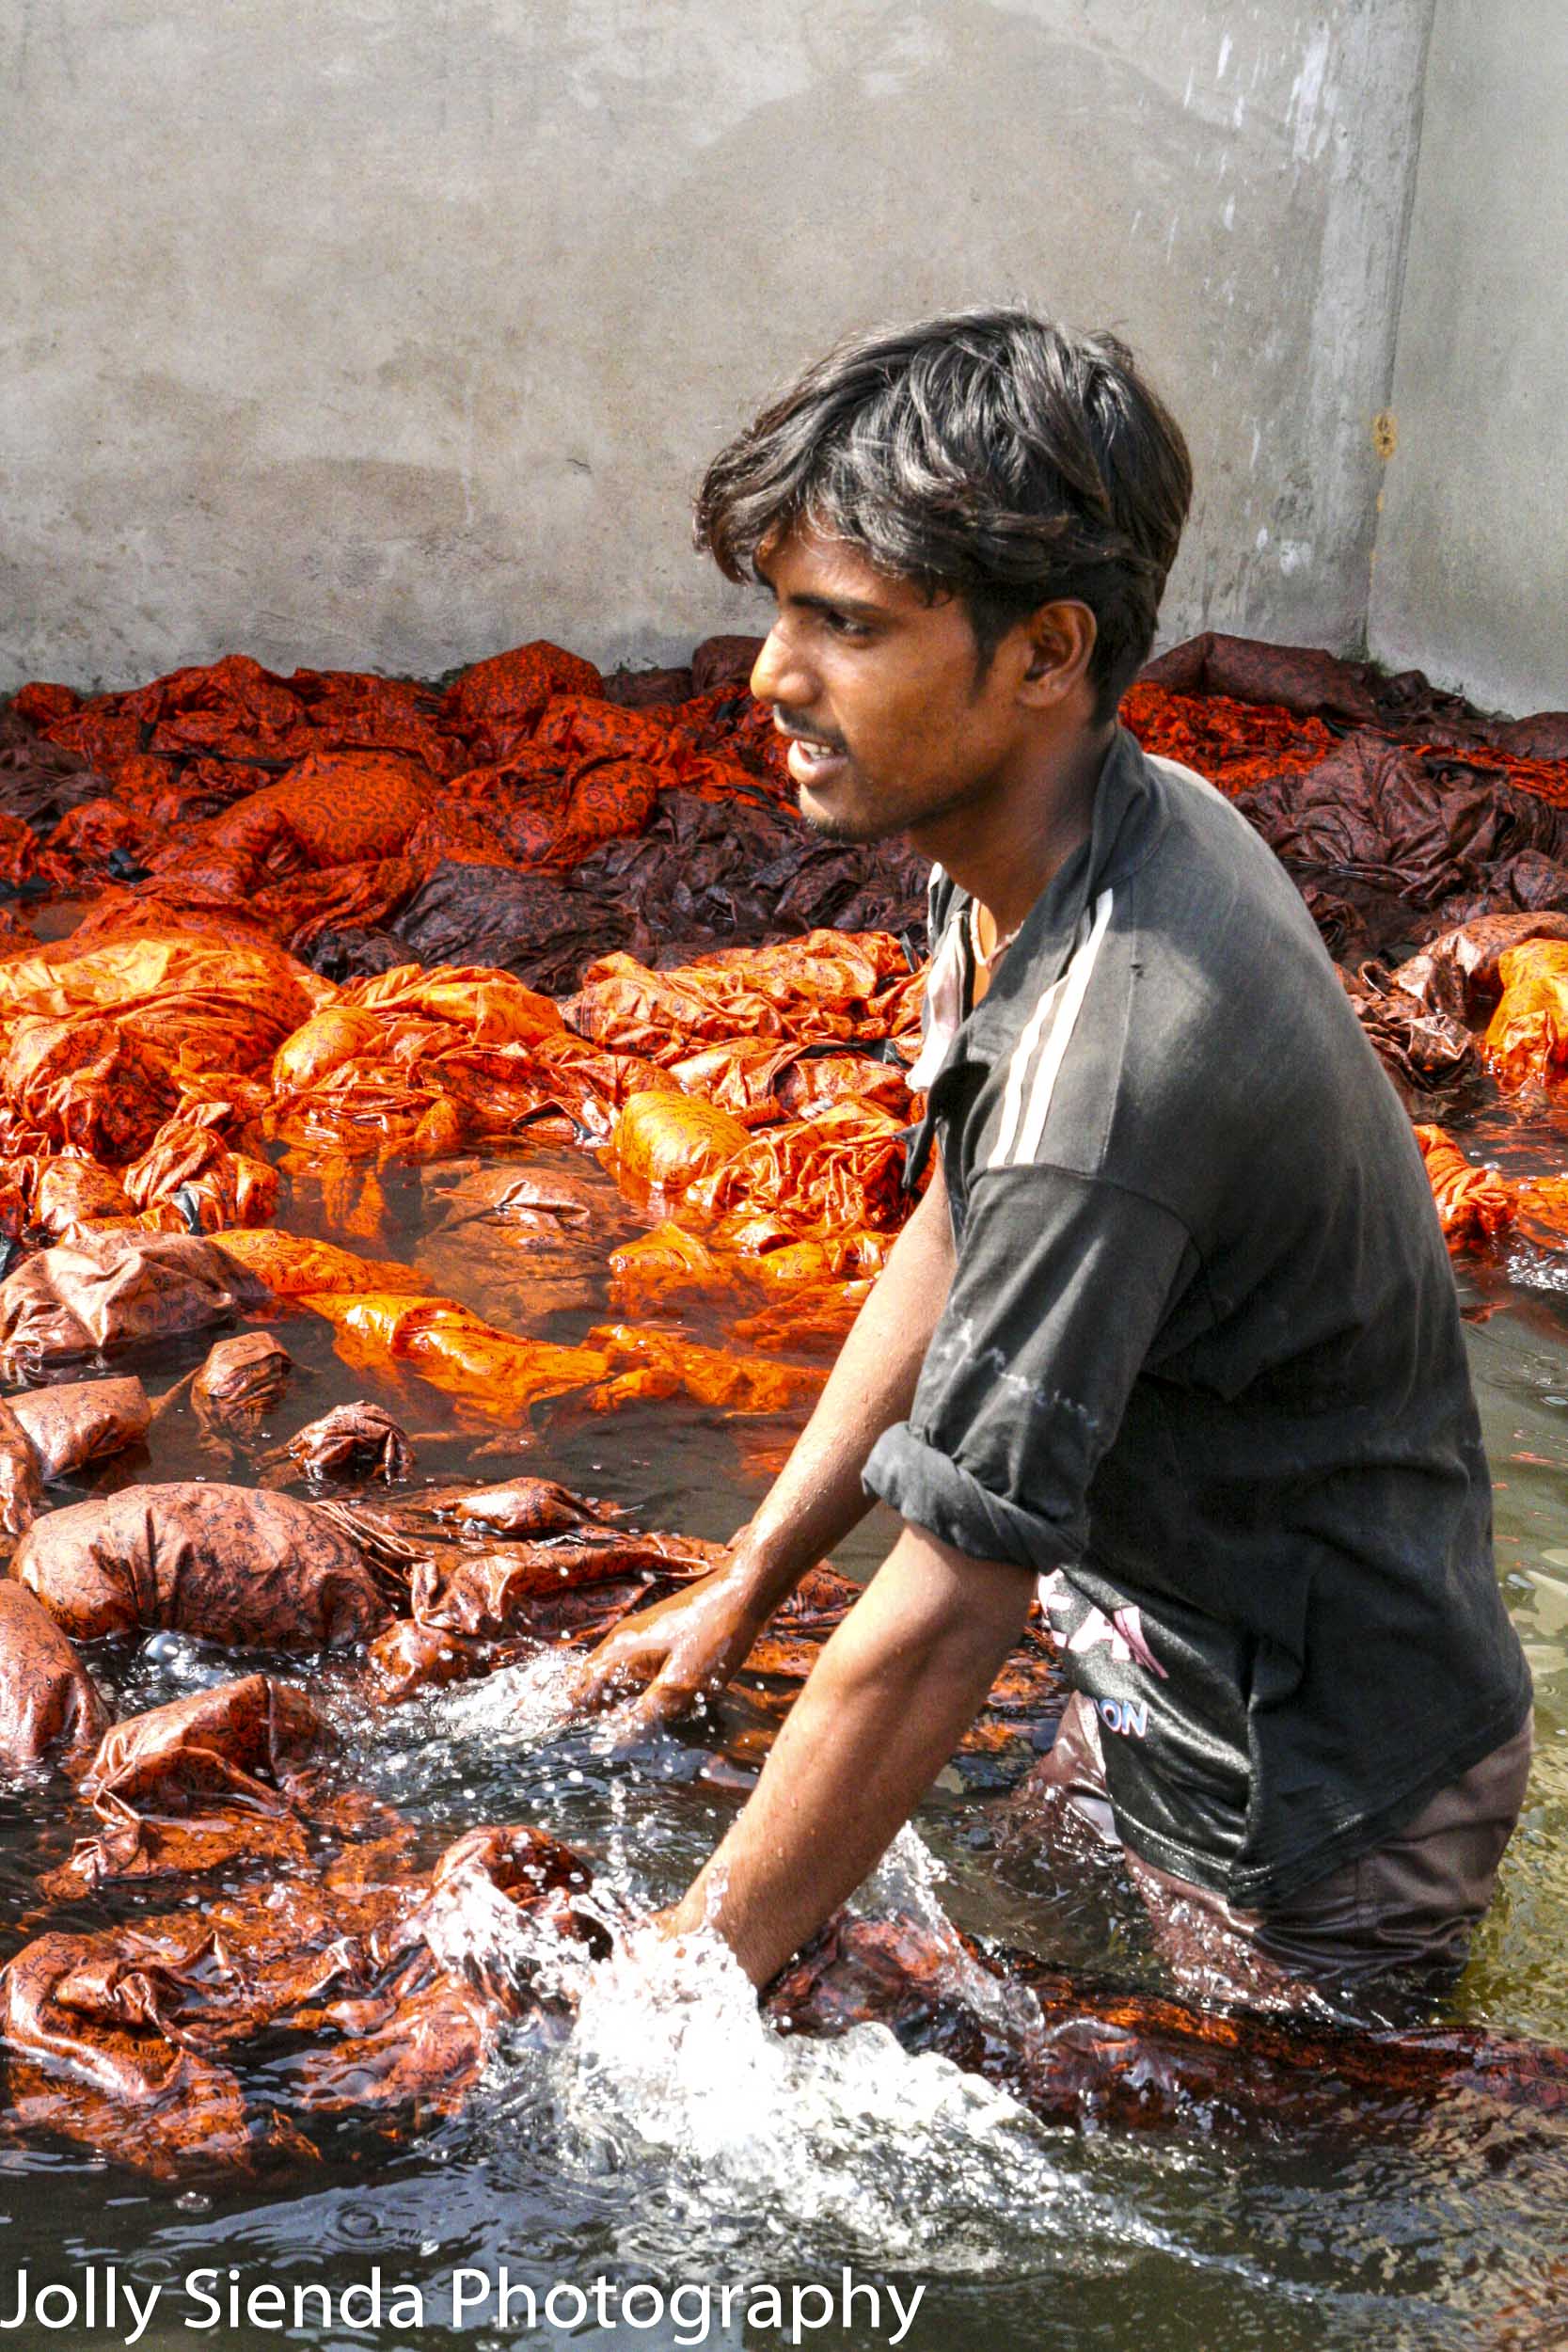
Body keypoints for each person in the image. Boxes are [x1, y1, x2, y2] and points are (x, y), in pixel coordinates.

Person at [575, 307, 1533, 2007]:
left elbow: (952, 1602)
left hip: (1327, 1811)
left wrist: (681, 1981)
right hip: (1151, 1677)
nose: (770, 679)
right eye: (779, 609)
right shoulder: (1050, 845)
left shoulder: (1123, 1057)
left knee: (1277, 2203)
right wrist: (744, 1586)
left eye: (843, 625)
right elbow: (957, 1215)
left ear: (1044, 653)